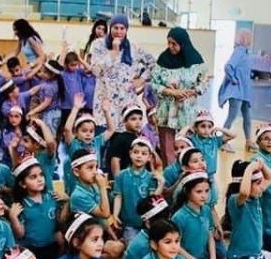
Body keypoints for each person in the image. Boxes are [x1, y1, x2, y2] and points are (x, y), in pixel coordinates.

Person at [151, 27, 208, 164]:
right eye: (169, 43)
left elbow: (204, 83)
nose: (171, 47)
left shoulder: (196, 61)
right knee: (167, 149)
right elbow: (154, 83)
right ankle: (170, 173)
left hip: (187, 111)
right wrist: (171, 92)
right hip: (166, 112)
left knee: (188, 146)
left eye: (174, 44)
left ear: (183, 43)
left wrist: (191, 92)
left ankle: (191, 171)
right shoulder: (163, 59)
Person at [90, 14, 155, 129]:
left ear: (126, 29)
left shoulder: (134, 47)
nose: (118, 32)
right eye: (115, 28)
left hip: (126, 100)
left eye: (122, 28)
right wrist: (114, 52)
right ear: (110, 28)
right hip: (105, 100)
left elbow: (154, 64)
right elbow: (96, 70)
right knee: (105, 134)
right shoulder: (99, 44)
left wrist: (141, 80)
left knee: (126, 134)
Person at [218, 29, 257, 152]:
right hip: (237, 91)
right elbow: (228, 66)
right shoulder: (239, 51)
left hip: (245, 92)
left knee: (247, 117)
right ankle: (222, 141)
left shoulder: (246, 52)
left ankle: (249, 141)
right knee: (232, 116)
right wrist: (233, 79)